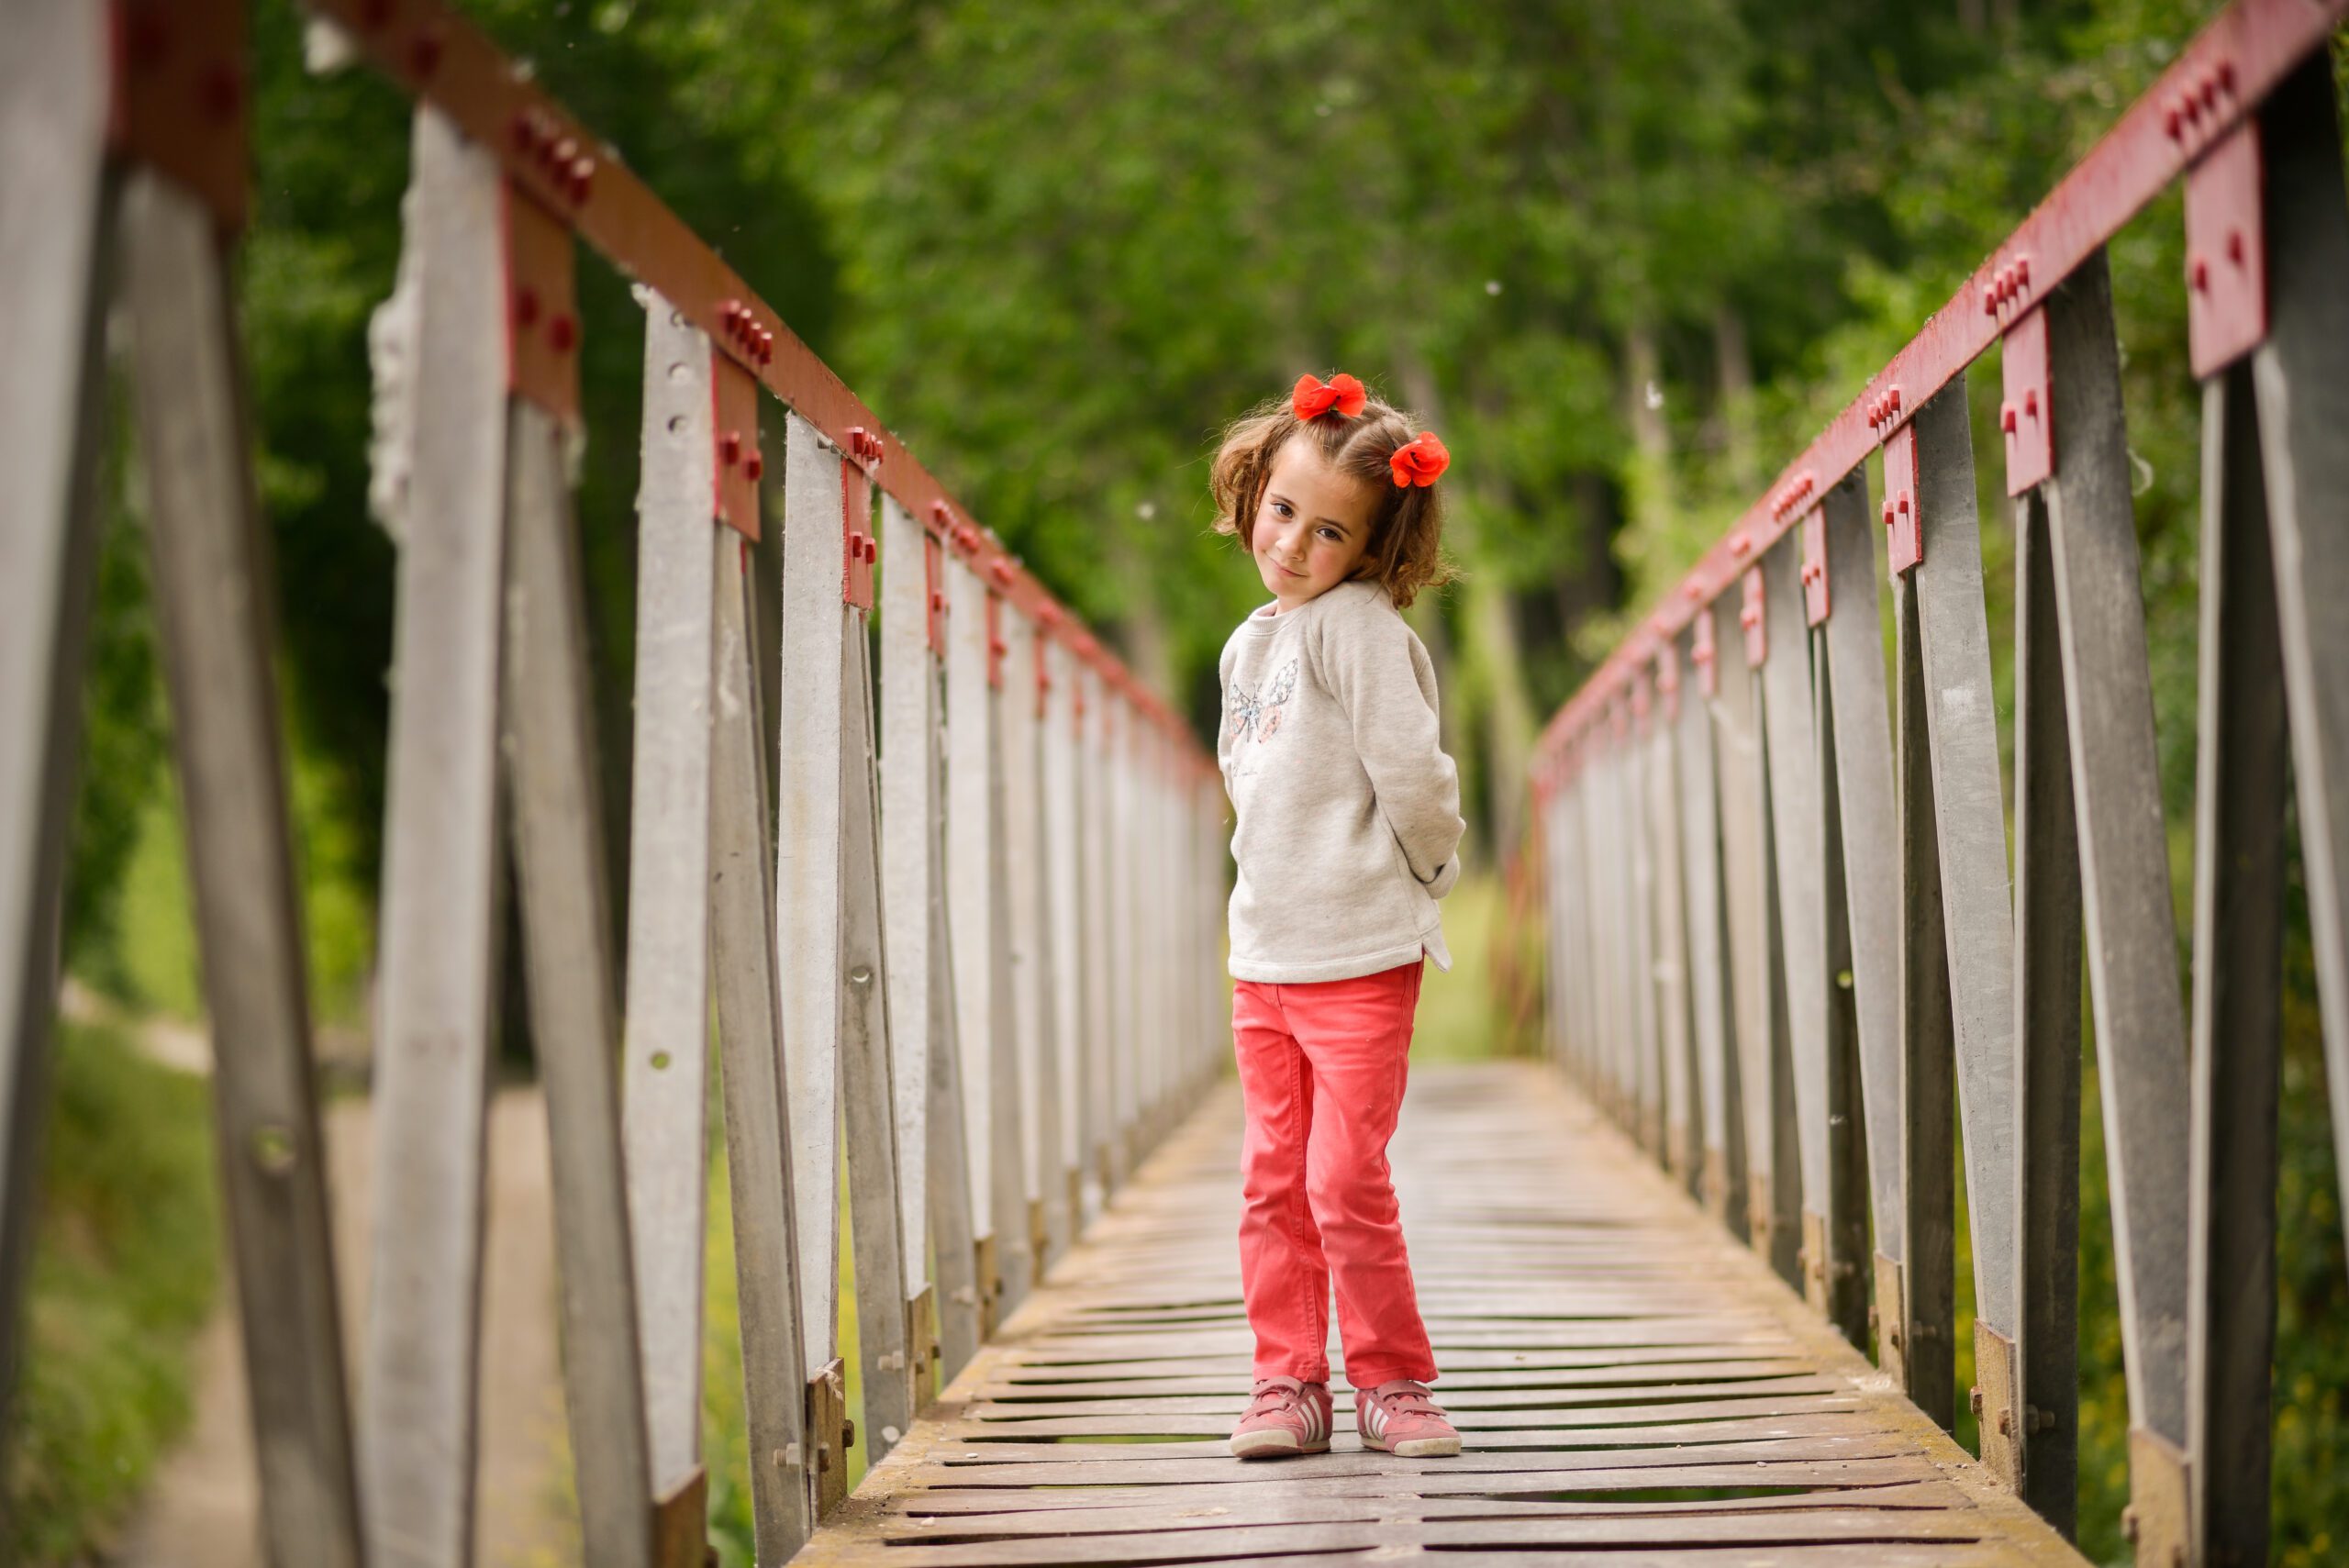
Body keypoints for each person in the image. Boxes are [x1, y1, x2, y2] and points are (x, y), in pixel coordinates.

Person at [1210, 371, 1466, 1461]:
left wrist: (1426, 872)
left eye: (1329, 532)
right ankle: (1286, 1381)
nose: (1293, 544)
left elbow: (1413, 773)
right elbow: (1249, 780)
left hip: (1357, 954)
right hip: (1266, 957)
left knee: (1340, 1177)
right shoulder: (1246, 643)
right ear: (1252, 488)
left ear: (1369, 552)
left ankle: (1391, 1379)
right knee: (1273, 1177)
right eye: (1282, 511)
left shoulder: (1355, 627)